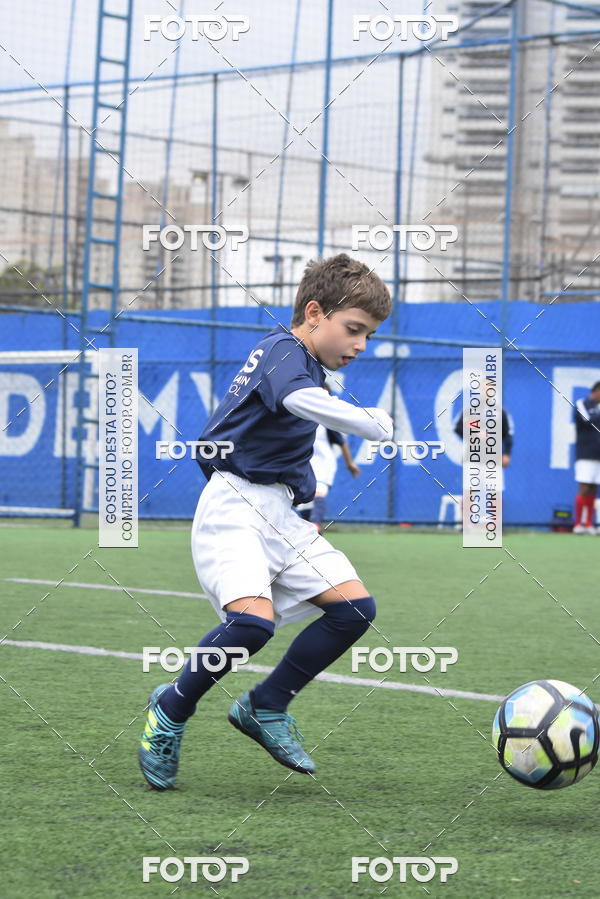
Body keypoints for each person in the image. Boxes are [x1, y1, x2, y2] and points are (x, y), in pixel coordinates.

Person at [139, 253, 393, 790]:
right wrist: (369, 421)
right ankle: (170, 710)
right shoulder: (283, 349)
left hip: (280, 512)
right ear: (315, 312)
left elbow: (304, 407)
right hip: (233, 506)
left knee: (353, 610)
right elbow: (299, 401)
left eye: (368, 336)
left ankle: (266, 704)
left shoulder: (312, 369)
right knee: (252, 624)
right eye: (354, 330)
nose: (360, 346)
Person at [295, 381, 361, 531]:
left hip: (323, 464)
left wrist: (349, 463)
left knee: (318, 492)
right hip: (303, 464)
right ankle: (312, 532)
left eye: (324, 394)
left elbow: (341, 442)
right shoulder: (297, 417)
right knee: (303, 503)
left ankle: (316, 523)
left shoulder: (325, 421)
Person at [572, 381, 600, 535]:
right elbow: (587, 420)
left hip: (599, 455)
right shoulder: (582, 403)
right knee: (584, 487)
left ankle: (588, 524)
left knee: (594, 488)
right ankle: (578, 524)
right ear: (596, 391)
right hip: (585, 453)